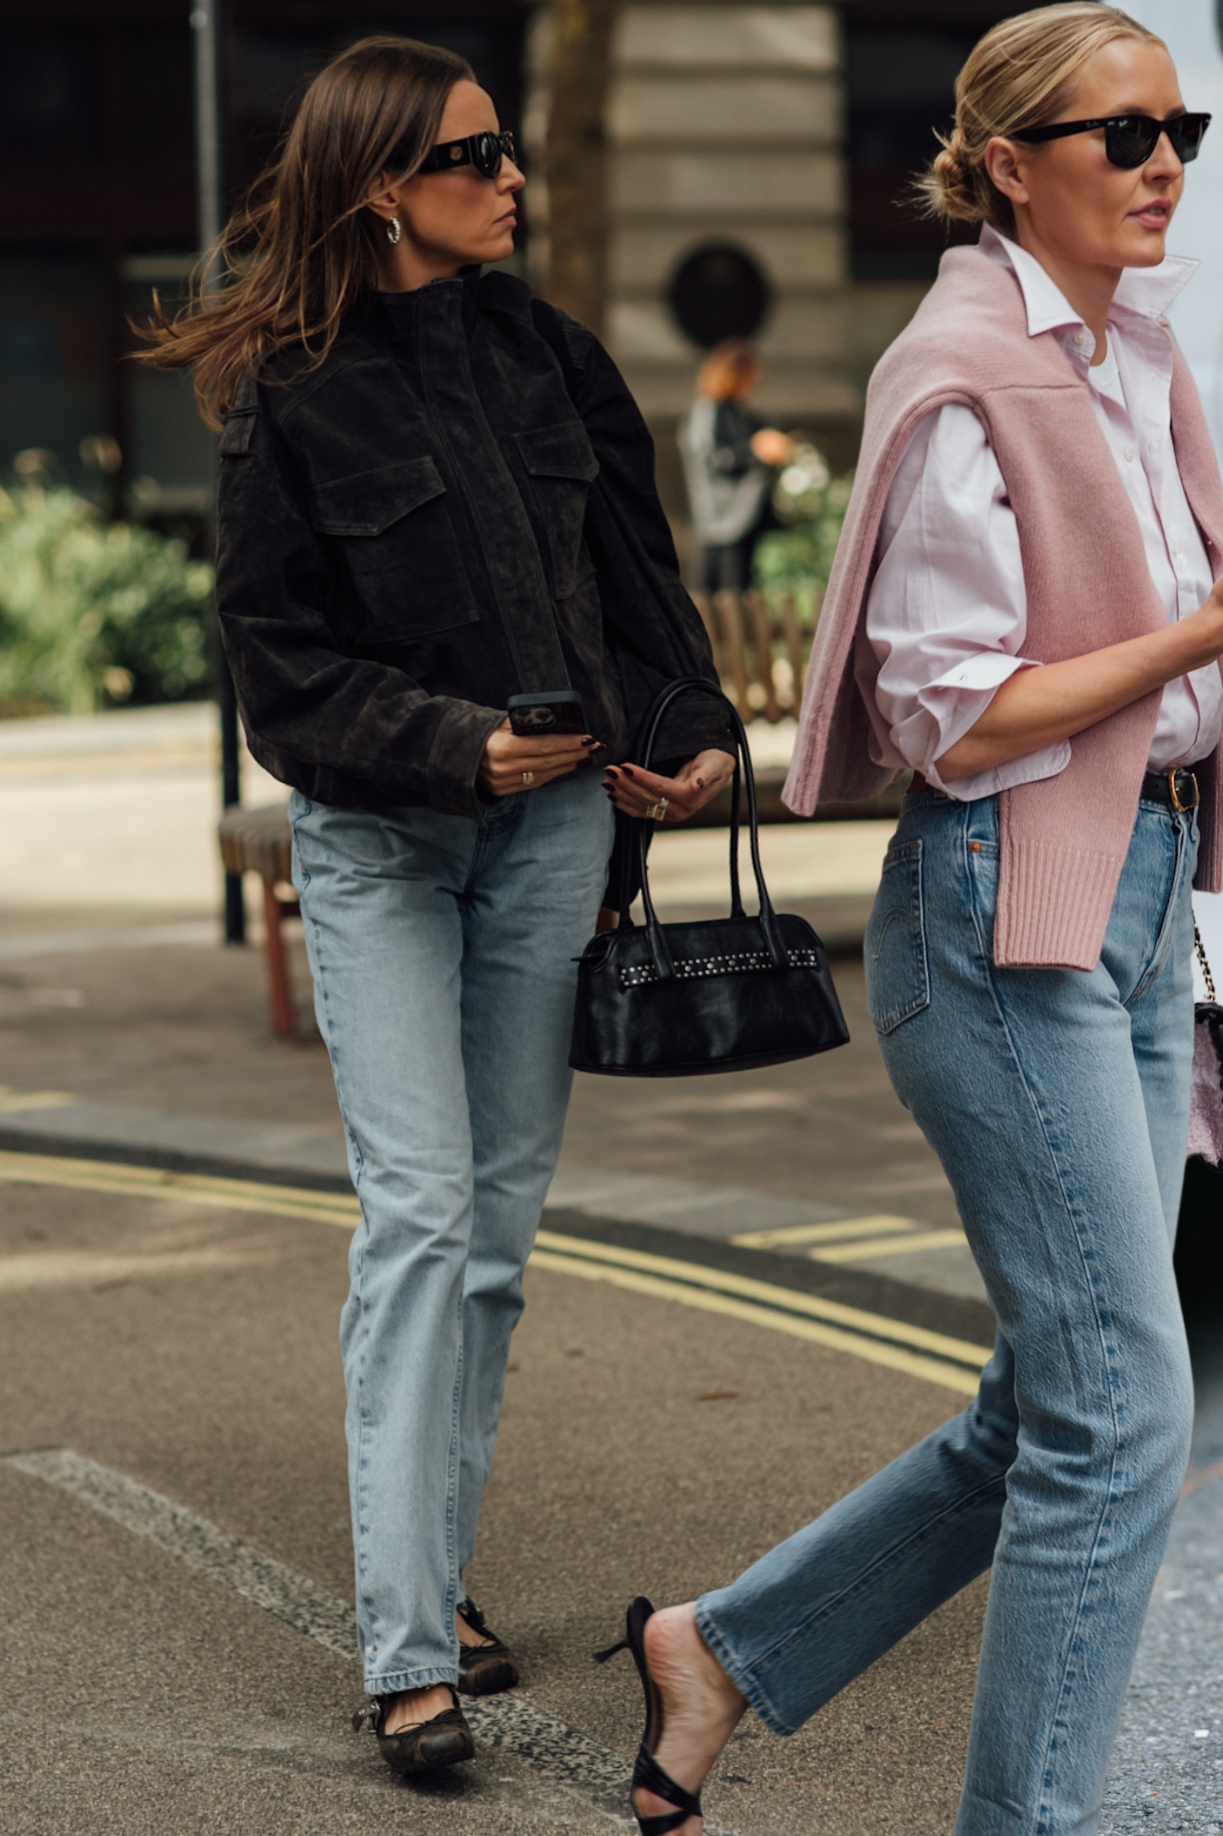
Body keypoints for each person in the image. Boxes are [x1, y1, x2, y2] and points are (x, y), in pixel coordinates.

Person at [594, 8, 1223, 1832]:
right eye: (1121, 135)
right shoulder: (957, 375)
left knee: (1056, 1400)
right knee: (1123, 1419)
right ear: (1008, 165)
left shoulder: (1130, 356)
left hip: (1136, 908)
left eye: (1179, 128)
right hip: (1005, 916)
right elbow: (958, 717)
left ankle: (720, 1654)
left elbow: (1138, 685)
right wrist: (1202, 629)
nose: (1164, 162)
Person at [137, 35, 738, 1778]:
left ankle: (435, 1574)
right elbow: (278, 669)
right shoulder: (289, 393)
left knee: (491, 1241)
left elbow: (647, 607)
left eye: (508, 148)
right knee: (415, 1217)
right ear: (384, 188)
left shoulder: (556, 360)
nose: (511, 178)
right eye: (476, 158)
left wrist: (694, 740)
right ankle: (409, 1652)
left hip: (552, 844)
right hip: (383, 846)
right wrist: (450, 744)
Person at [679, 338, 789, 596]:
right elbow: (715, 459)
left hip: (744, 517)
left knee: (740, 591)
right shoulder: (708, 413)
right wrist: (756, 450)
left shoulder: (741, 414)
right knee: (719, 592)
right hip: (721, 517)